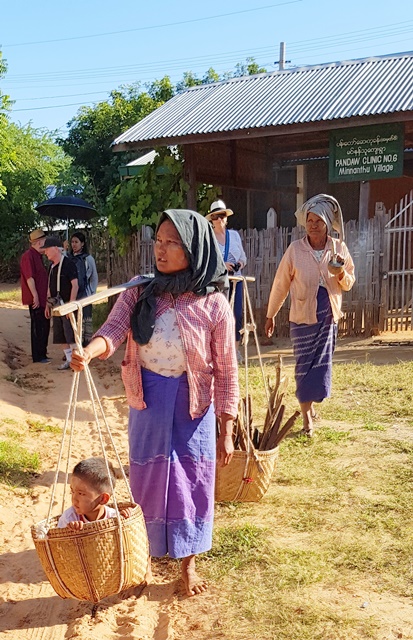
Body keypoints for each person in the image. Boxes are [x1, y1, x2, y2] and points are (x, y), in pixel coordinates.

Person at [71, 209, 239, 596]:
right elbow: (114, 328)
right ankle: (141, 558)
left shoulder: (213, 304)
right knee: (147, 480)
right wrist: (90, 352)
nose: (160, 250)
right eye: (158, 242)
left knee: (191, 483)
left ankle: (188, 565)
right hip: (147, 398)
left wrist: (227, 429)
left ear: (193, 249)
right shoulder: (140, 291)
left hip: (193, 404)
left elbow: (227, 370)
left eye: (171, 243)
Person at [264, 194, 355, 436]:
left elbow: (348, 283)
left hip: (327, 317)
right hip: (302, 317)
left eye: (318, 221)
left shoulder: (339, 248)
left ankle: (310, 405)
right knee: (304, 366)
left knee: (320, 367)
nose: (313, 225)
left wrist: (339, 273)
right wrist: (271, 314)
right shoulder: (295, 250)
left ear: (327, 223)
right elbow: (281, 284)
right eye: (310, 220)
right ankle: (306, 418)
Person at [206, 199, 247, 363]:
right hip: (219, 282)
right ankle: (218, 351)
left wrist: (239, 264)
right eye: (215, 217)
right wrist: (222, 265)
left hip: (236, 280)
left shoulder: (234, 235)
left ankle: (235, 351)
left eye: (222, 216)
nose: (219, 220)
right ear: (211, 219)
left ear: (226, 218)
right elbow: (207, 261)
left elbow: (243, 257)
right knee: (219, 316)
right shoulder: (209, 238)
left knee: (237, 314)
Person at [57, 457, 132, 530]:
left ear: (103, 499)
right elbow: (59, 536)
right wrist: (70, 531)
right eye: (72, 491)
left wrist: (126, 517)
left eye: (81, 493)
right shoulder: (69, 518)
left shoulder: (114, 517)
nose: (74, 499)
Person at [42, 236, 79, 370]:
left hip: (66, 305)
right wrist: (47, 304)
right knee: (59, 335)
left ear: (56, 249)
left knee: (70, 334)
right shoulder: (51, 267)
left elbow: (75, 285)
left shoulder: (69, 264)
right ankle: (69, 359)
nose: (45, 252)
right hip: (56, 305)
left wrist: (71, 306)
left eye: (47, 249)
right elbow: (49, 287)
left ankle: (76, 360)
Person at [20, 229, 51, 364]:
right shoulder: (28, 256)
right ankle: (38, 356)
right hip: (36, 298)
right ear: (39, 242)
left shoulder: (38, 256)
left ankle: (42, 352)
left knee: (44, 325)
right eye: (44, 241)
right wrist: (35, 295)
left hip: (43, 298)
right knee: (38, 326)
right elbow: (29, 277)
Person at [69, 231, 98, 346]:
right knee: (73, 320)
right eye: (72, 242)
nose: (74, 244)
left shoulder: (88, 259)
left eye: (76, 242)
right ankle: (75, 346)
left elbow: (94, 277)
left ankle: (86, 345)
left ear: (82, 244)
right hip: (72, 294)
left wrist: (92, 293)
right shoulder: (68, 258)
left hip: (85, 294)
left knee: (85, 319)